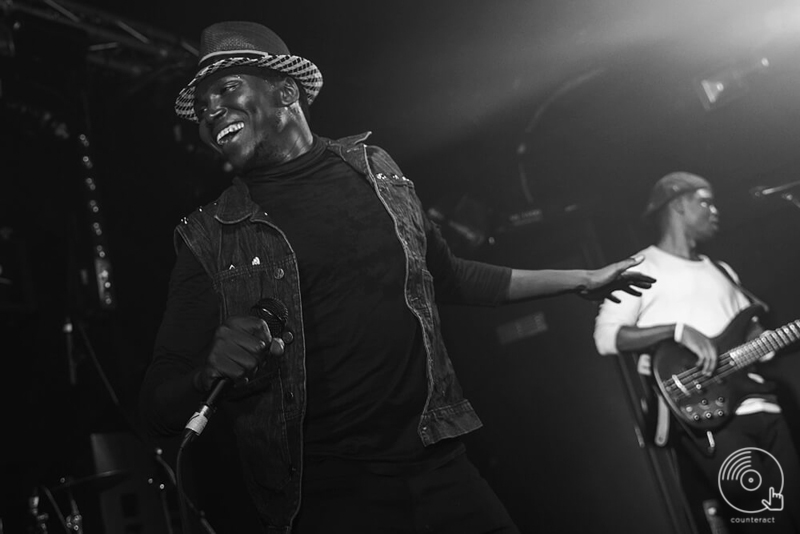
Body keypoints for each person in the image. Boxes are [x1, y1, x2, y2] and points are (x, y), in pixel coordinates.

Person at [139, 20, 654, 534]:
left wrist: (579, 278)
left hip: (437, 464)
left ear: (285, 90)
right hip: (327, 497)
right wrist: (209, 373)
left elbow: (447, 276)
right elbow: (159, 404)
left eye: (226, 89)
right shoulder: (210, 237)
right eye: (202, 106)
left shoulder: (375, 171)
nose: (210, 113)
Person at [593, 172, 800, 533]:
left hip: (764, 406)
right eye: (705, 201)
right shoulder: (643, 266)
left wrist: (765, 341)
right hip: (711, 417)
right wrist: (676, 331)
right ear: (678, 205)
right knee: (764, 524)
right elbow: (607, 337)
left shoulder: (721, 270)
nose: (714, 210)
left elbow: (752, 336)